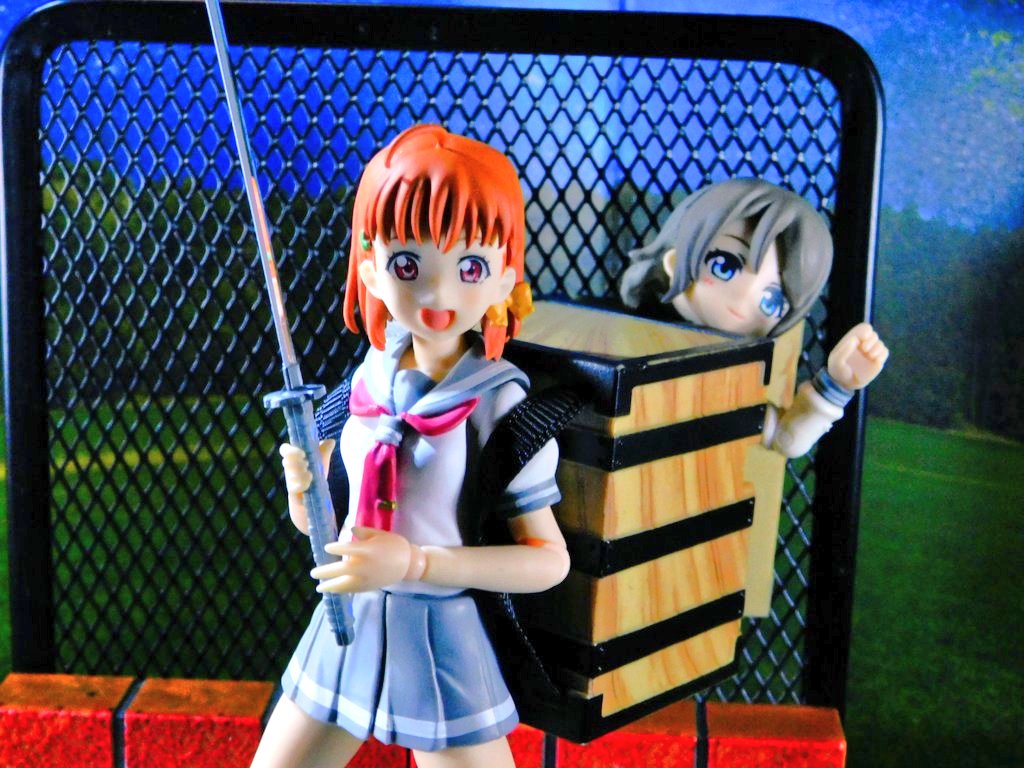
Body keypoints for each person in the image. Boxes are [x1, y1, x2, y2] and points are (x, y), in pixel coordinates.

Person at [250, 124, 570, 768]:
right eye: (408, 265)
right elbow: (330, 534)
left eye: (470, 267)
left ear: (505, 278)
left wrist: (417, 564)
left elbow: (547, 563)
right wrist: (304, 493)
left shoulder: (500, 407)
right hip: (345, 627)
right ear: (370, 267)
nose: (438, 294)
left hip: (440, 639)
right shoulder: (364, 384)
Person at [619, 178, 888, 456]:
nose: (746, 296)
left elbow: (787, 439)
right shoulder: (625, 339)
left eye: (773, 299)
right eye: (724, 266)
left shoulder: (728, 387)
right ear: (675, 262)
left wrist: (836, 385)